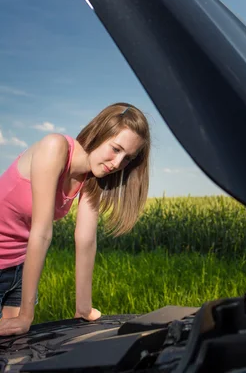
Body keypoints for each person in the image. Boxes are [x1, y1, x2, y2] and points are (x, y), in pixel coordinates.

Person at [0, 102, 151, 336]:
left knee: (10, 350)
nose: (118, 164)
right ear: (100, 131)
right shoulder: (55, 147)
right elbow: (41, 232)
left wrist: (84, 308)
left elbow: (86, 239)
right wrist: (26, 316)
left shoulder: (90, 177)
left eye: (128, 158)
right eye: (116, 149)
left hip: (18, 267)